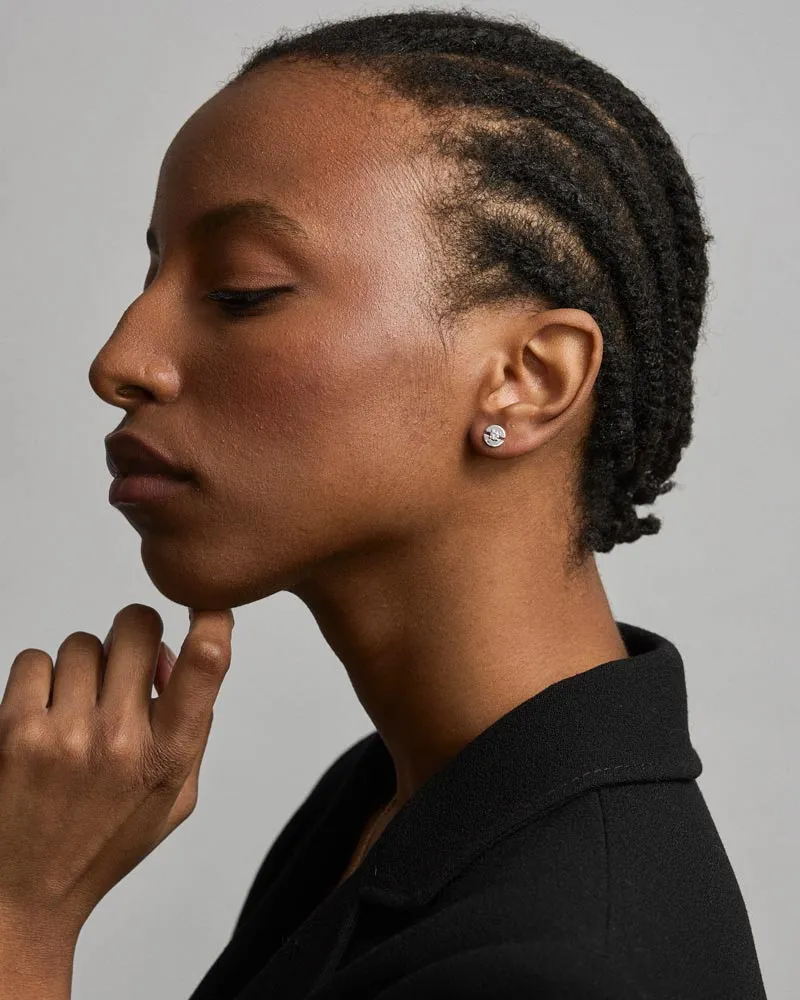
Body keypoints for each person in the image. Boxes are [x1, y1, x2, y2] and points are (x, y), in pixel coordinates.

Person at [88, 8, 767, 998]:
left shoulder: (562, 968)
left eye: (240, 291)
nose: (119, 362)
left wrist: (18, 919)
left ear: (526, 379)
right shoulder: (389, 803)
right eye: (155, 274)